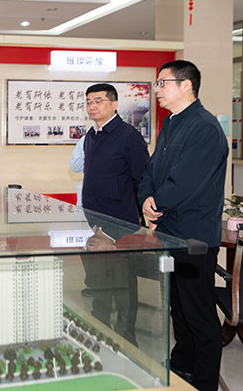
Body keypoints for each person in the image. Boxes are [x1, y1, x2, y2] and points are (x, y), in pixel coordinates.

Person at [138, 60, 228, 391]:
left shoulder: (204, 128)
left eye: (162, 83)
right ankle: (182, 367)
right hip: (169, 234)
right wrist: (146, 198)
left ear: (186, 85)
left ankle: (203, 381)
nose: (157, 90)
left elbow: (185, 182)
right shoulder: (171, 124)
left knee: (198, 313)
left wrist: (157, 204)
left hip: (194, 238)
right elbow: (151, 171)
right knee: (178, 307)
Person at [80, 83, 148, 345]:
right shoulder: (91, 135)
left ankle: (126, 338)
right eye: (89, 102)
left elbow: (142, 179)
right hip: (95, 222)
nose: (92, 106)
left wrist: (138, 215)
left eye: (98, 100)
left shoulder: (128, 136)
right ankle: (100, 330)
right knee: (98, 281)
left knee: (123, 285)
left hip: (120, 224)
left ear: (114, 104)